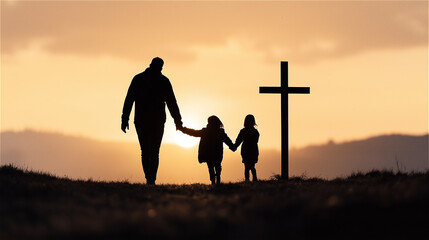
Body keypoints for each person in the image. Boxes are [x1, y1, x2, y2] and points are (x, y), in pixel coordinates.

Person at [121, 57, 182, 185]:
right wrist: (178, 121)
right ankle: (150, 179)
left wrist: (124, 119)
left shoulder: (139, 79)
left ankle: (150, 178)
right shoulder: (162, 81)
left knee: (148, 151)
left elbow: (129, 100)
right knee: (152, 151)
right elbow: (172, 102)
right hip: (153, 121)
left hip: (145, 120)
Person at [178, 116, 235, 185]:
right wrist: (233, 147)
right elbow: (228, 141)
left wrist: (183, 129)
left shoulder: (205, 132)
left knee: (211, 167)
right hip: (217, 154)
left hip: (208, 154)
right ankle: (217, 180)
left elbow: (194, 133)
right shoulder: (220, 133)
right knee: (217, 166)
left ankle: (213, 181)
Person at [234, 114, 259, 182]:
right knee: (252, 166)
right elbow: (256, 141)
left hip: (246, 150)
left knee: (247, 167)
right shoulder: (255, 132)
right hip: (253, 150)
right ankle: (254, 178)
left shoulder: (243, 131)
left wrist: (234, 147)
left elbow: (238, 140)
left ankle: (247, 180)